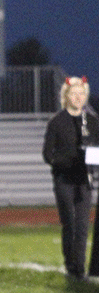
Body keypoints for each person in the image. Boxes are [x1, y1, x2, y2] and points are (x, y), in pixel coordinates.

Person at [43, 76, 99, 280]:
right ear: (66, 96)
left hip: (85, 181)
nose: (78, 97)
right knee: (70, 224)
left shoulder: (92, 121)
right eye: (74, 94)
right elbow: (48, 154)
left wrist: (91, 157)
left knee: (83, 225)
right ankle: (71, 266)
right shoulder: (57, 122)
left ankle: (80, 269)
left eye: (82, 94)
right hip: (64, 180)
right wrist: (68, 161)